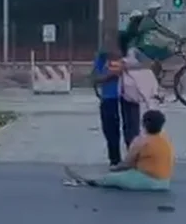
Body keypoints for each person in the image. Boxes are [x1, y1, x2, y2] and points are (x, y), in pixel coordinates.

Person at [65, 109, 173, 191]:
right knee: (124, 173)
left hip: (149, 180)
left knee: (111, 178)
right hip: (165, 182)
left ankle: (87, 179)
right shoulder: (165, 138)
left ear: (143, 123)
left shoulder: (142, 141)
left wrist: (114, 169)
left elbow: (127, 164)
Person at [93, 36, 140, 168]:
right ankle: (115, 160)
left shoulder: (132, 58)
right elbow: (95, 78)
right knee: (111, 131)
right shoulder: (102, 59)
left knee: (132, 131)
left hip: (129, 98)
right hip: (109, 98)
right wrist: (110, 75)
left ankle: (133, 161)